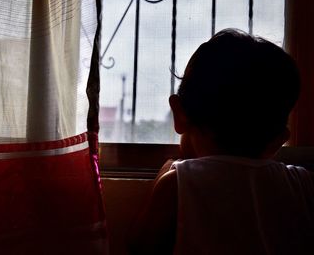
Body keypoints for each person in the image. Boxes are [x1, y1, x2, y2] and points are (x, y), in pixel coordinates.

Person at [127, 28, 314, 255]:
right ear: (278, 140)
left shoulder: (177, 183)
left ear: (179, 115)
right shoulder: (303, 183)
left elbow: (139, 248)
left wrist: (166, 170)